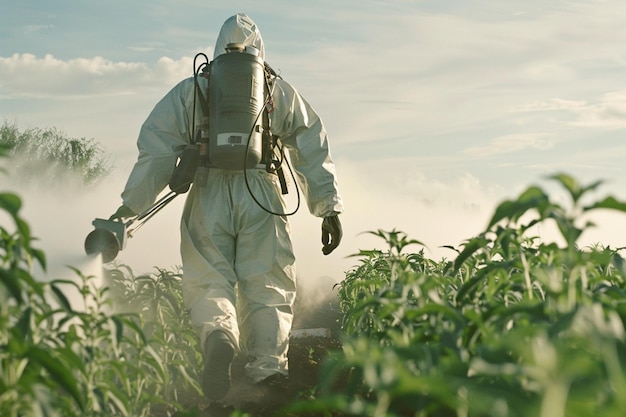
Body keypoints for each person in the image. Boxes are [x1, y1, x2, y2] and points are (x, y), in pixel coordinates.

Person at [109, 13, 344, 402]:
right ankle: (268, 369)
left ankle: (219, 335)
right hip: (261, 192)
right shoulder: (274, 89)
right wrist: (328, 207)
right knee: (268, 284)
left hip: (208, 189)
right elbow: (311, 143)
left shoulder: (194, 89)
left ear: (217, 47)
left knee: (208, 279)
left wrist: (126, 210)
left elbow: (155, 152)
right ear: (260, 49)